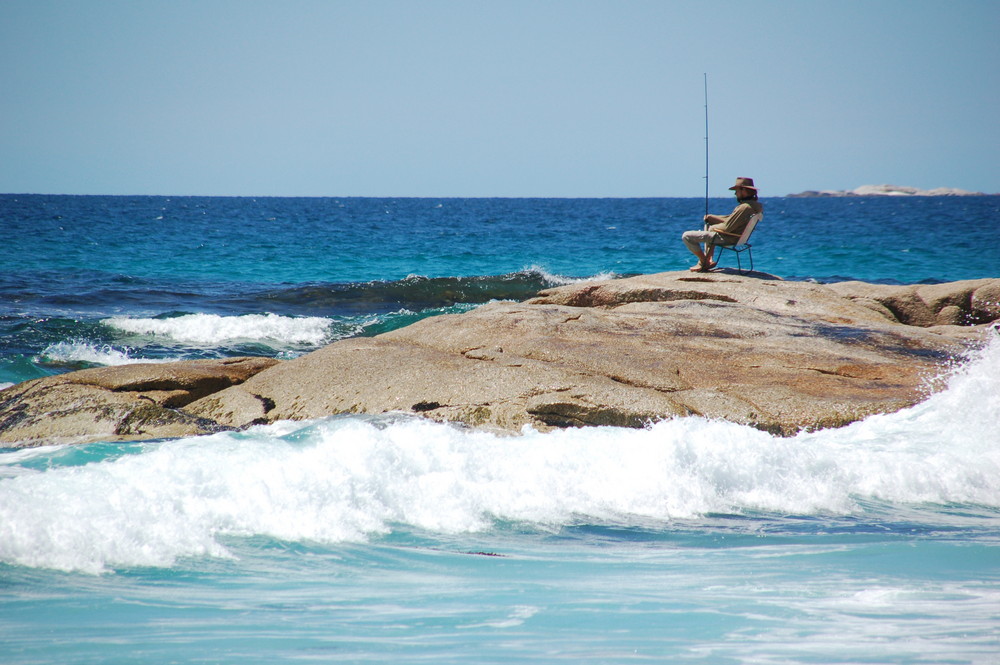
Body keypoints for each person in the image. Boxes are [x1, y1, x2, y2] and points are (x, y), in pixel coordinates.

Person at [682, 176, 763, 272]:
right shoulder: (754, 206)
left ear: (743, 190)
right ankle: (709, 259)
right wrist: (712, 218)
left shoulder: (745, 208)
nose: (735, 193)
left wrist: (713, 228)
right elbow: (731, 220)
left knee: (687, 236)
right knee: (709, 223)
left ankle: (704, 261)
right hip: (738, 237)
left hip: (729, 238)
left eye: (737, 190)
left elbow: (727, 227)